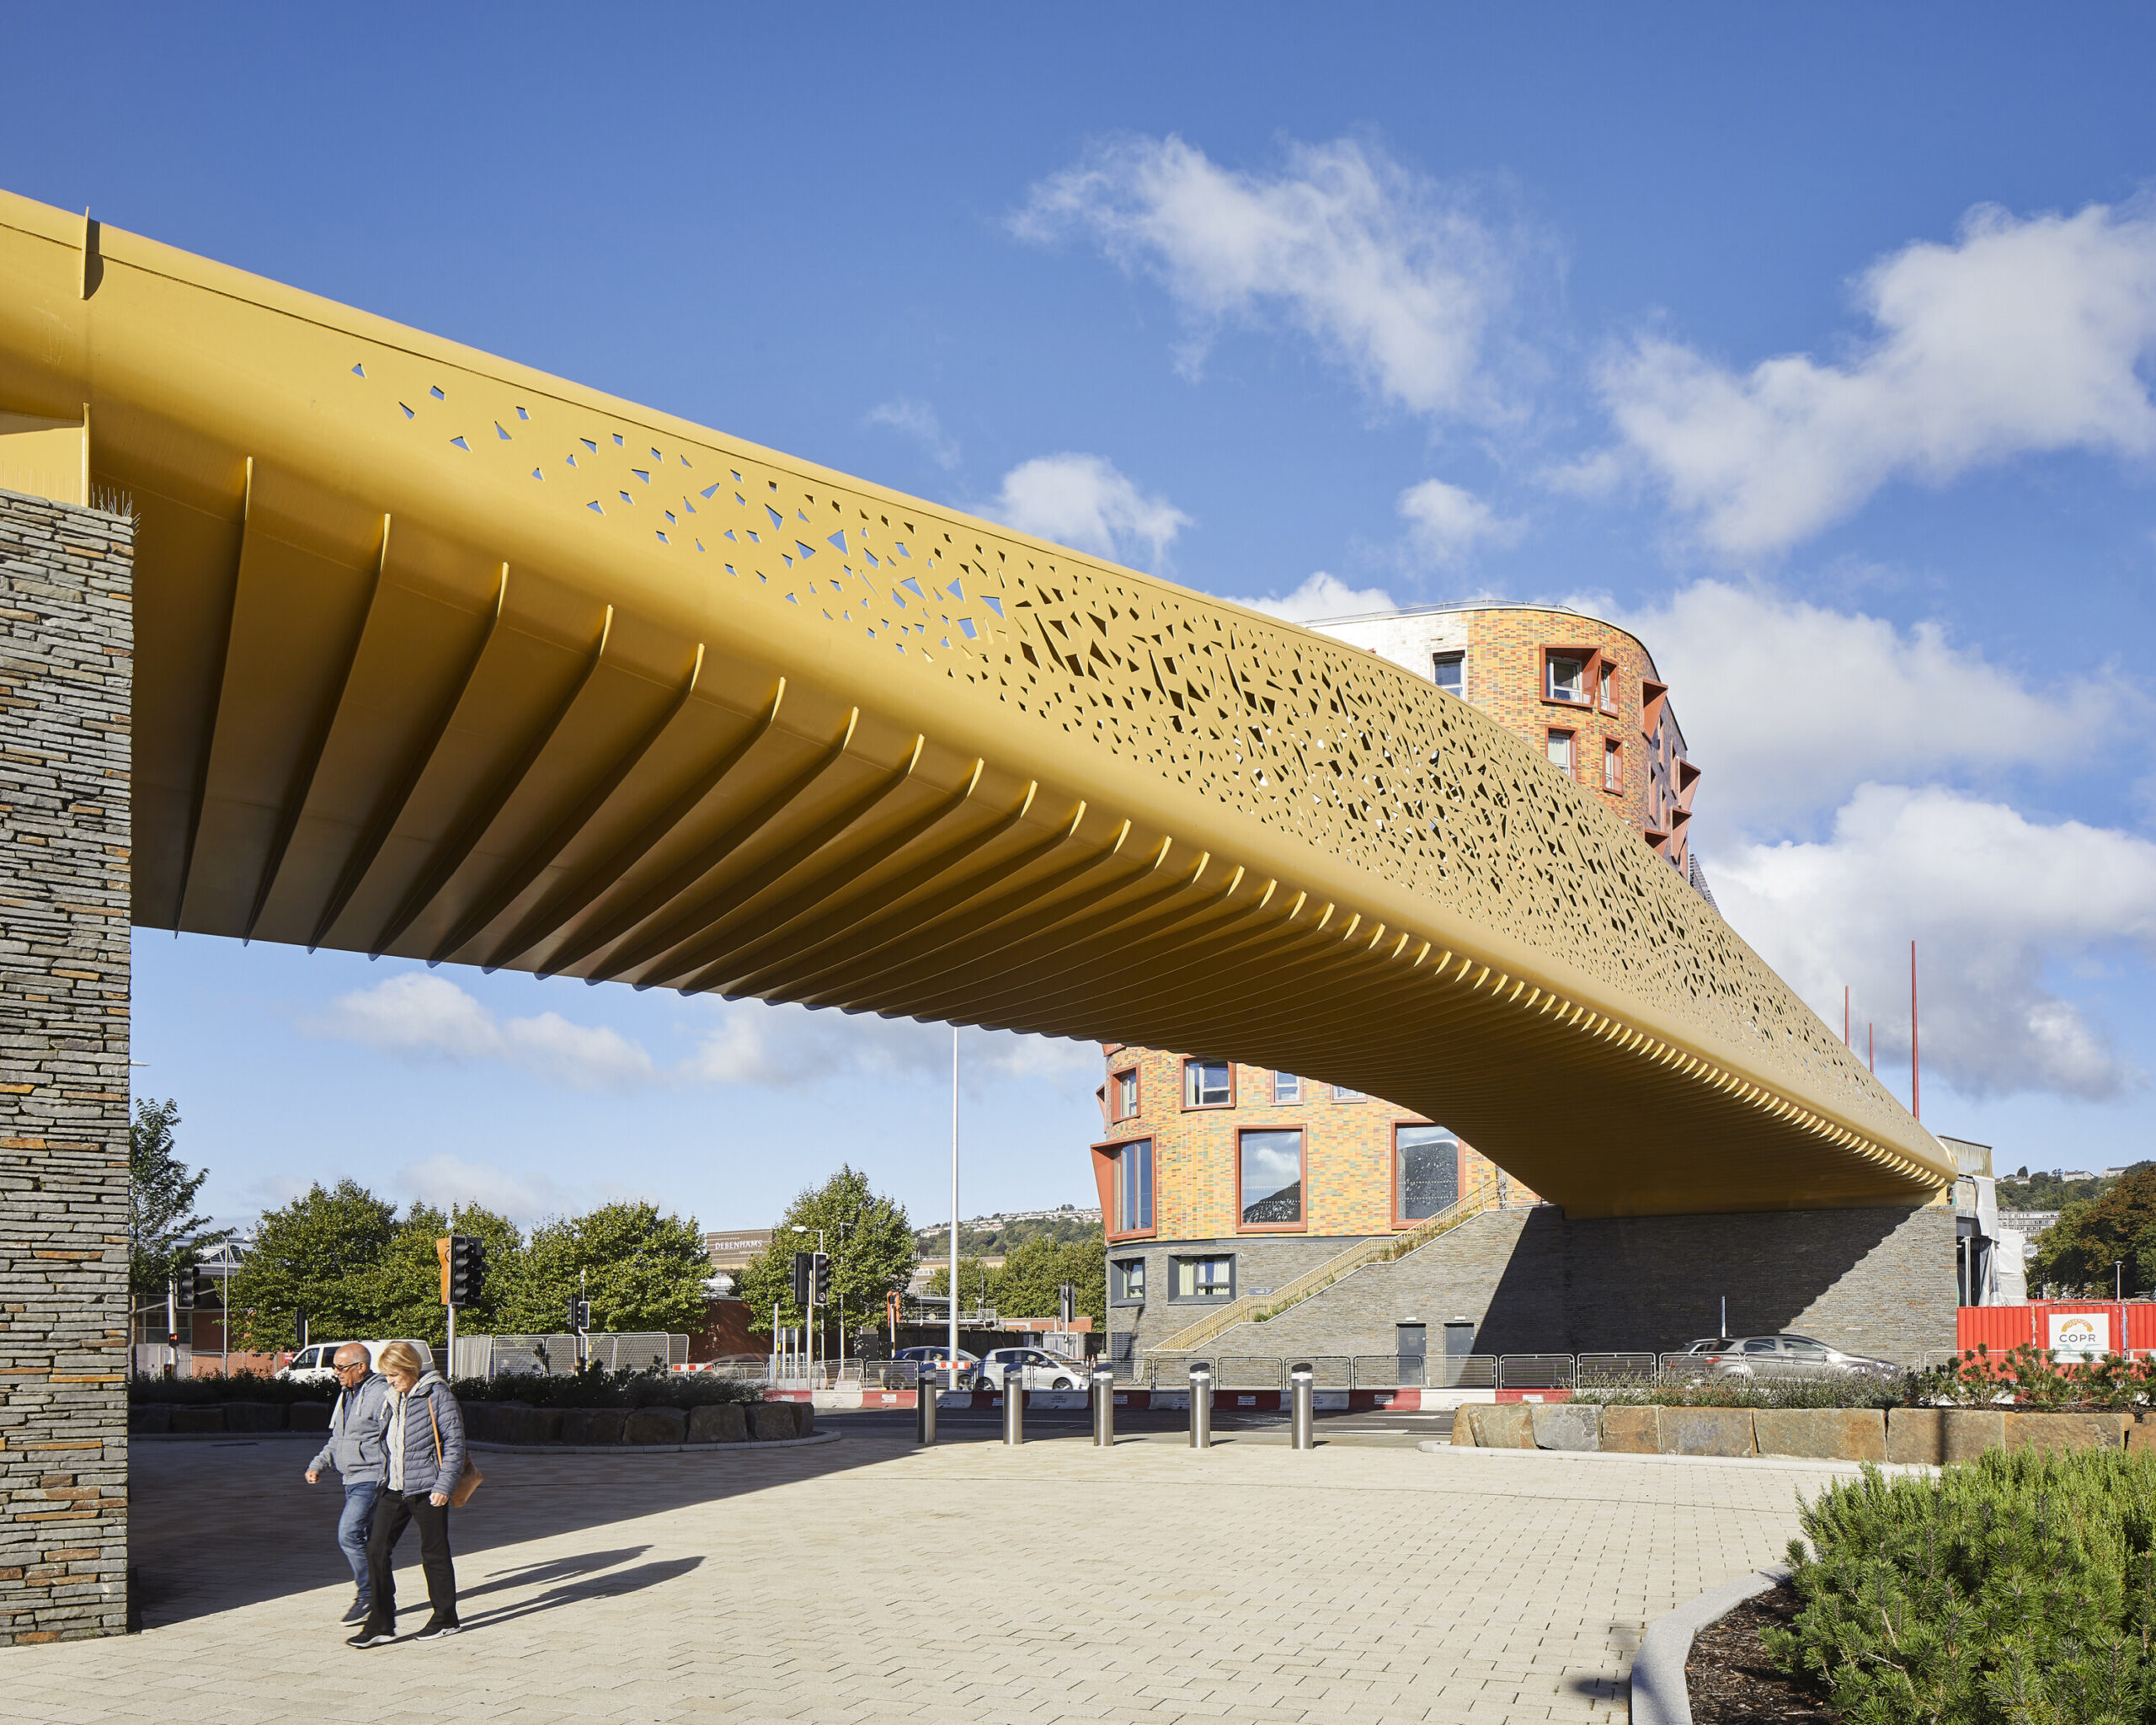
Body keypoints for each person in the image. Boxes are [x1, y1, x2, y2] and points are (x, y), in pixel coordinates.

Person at [347, 1341, 466, 1647]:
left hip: (428, 1487)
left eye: (394, 1375)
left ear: (411, 1369)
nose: (390, 1381)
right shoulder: (392, 1397)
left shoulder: (437, 1395)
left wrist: (444, 1486)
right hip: (394, 1486)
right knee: (376, 1549)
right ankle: (382, 1624)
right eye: (386, 1375)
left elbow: (454, 1444)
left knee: (434, 1553)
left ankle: (445, 1619)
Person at [305, 1343, 391, 1624]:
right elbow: (338, 1439)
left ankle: (367, 1595)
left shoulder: (380, 1394)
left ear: (361, 1367)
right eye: (335, 1367)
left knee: (349, 1533)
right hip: (350, 1479)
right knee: (368, 1542)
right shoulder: (347, 1394)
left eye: (341, 1368)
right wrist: (318, 1464)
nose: (336, 1373)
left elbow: (396, 1433)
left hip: (371, 1477)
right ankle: (381, 1596)